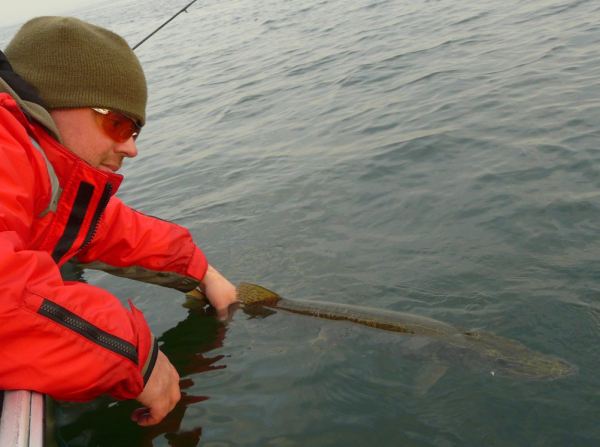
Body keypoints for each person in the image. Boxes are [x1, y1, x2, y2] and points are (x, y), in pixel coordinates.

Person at [0, 16, 238, 426]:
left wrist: (199, 268)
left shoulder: (41, 172)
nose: (130, 148)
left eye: (136, 131)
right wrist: (131, 356)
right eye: (118, 123)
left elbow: (101, 225)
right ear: (56, 102)